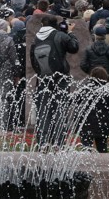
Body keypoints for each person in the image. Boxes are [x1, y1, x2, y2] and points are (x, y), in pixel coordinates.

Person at [29, 14, 80, 147]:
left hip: (43, 79)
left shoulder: (36, 39)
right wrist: (70, 32)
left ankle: (42, 142)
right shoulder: (59, 35)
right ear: (55, 25)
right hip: (60, 78)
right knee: (60, 108)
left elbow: (34, 62)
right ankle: (58, 142)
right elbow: (74, 47)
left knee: (43, 110)